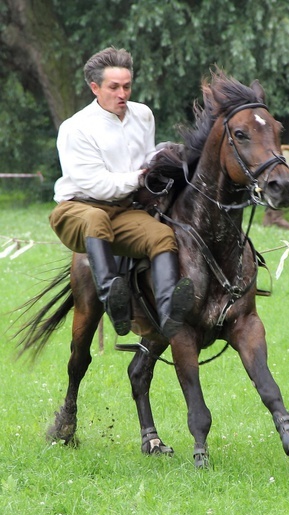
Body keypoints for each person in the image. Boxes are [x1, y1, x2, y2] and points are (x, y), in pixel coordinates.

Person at [49, 46, 194, 339]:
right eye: (114, 87)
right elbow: (96, 184)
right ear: (94, 87)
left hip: (125, 210)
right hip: (77, 209)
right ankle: (114, 303)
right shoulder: (75, 128)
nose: (122, 94)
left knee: (162, 236)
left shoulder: (143, 115)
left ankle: (168, 316)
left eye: (127, 86)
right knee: (95, 220)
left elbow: (146, 159)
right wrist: (141, 178)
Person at [262, 144, 289, 230]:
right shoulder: (277, 159)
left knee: (274, 213)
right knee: (271, 212)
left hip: (281, 189)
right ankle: (266, 227)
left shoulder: (286, 161)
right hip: (276, 189)